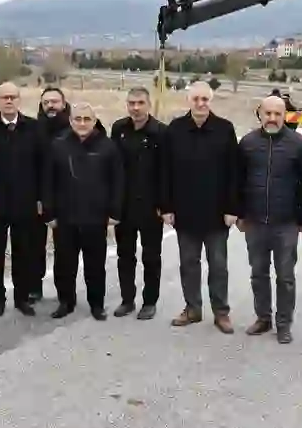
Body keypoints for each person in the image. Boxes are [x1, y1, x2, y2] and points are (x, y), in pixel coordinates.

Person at [161, 81, 240, 334]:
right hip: (185, 212)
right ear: (188, 100)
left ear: (210, 100)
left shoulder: (224, 129)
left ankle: (221, 313)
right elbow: (165, 171)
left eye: (205, 99)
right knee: (188, 264)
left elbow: (234, 173)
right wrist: (167, 207)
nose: (200, 103)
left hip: (217, 214)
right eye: (196, 99)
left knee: (218, 266)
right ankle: (192, 309)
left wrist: (232, 208)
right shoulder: (175, 129)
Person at [237, 95, 302, 344]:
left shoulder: (299, 145)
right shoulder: (247, 143)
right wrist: (240, 214)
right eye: (267, 113)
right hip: (255, 221)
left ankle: (283, 324)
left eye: (277, 114)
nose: (272, 118)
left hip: (286, 223)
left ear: (285, 116)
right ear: (260, 114)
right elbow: (237, 181)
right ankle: (263, 318)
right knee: (258, 273)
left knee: (285, 276)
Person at [42, 102, 124, 320]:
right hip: (65, 216)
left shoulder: (108, 146)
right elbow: (48, 181)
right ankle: (66, 302)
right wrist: (48, 213)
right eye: (77, 119)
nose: (82, 123)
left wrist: (115, 212)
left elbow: (117, 181)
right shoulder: (58, 145)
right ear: (70, 121)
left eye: (87, 119)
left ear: (94, 121)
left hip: (96, 216)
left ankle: (97, 305)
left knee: (95, 265)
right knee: (64, 264)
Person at [0, 82, 42, 316]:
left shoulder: (33, 127)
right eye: (4, 97)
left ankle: (22, 298)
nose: (9, 101)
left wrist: (41, 199)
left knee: (24, 252)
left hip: (26, 203)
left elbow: (42, 167)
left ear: (19, 100)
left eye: (13, 97)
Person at [110, 87, 166, 320]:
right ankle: (127, 299)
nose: (135, 107)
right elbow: (111, 167)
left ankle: (150, 301)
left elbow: (166, 172)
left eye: (140, 103)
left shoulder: (161, 132)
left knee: (151, 256)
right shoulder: (118, 129)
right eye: (131, 103)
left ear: (148, 105)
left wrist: (165, 205)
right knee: (125, 255)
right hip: (123, 205)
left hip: (151, 206)